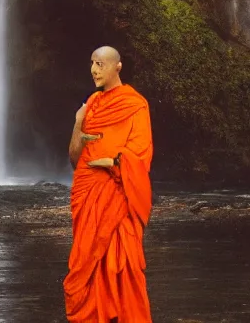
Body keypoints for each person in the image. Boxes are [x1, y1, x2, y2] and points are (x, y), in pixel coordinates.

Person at [64, 46, 153, 322]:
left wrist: (113, 162)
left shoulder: (136, 104)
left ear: (118, 66)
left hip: (119, 196)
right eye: (91, 63)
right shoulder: (91, 104)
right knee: (85, 264)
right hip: (88, 192)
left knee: (123, 263)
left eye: (100, 64)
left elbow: (141, 153)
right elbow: (74, 158)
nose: (94, 70)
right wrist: (78, 123)